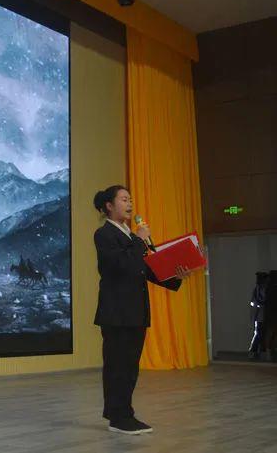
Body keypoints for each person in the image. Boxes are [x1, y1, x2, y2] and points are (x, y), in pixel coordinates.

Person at [92, 185, 191, 435]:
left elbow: (146, 269)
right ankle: (119, 417)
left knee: (130, 367)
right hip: (117, 312)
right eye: (124, 199)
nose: (130, 204)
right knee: (118, 366)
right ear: (109, 206)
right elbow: (118, 265)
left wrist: (175, 276)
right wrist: (139, 239)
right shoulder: (104, 234)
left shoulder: (131, 237)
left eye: (131, 199)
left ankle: (122, 414)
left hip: (136, 311)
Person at [248, 272, 269, 359]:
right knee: (259, 333)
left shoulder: (264, 289)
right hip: (260, 316)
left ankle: (260, 351)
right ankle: (254, 350)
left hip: (263, 315)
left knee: (262, 334)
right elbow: (256, 302)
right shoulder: (258, 290)